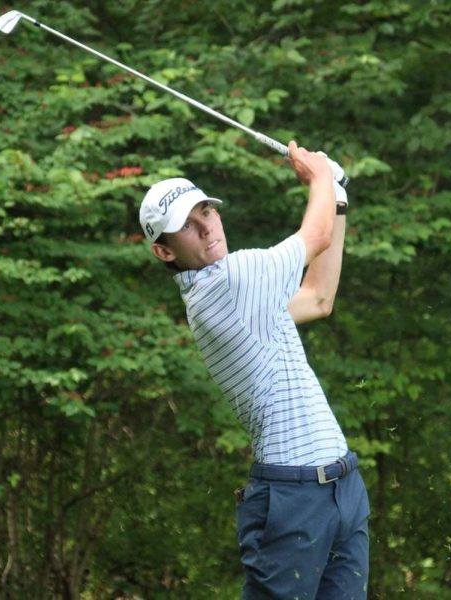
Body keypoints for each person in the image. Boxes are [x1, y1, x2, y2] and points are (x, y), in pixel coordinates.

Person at [139, 141, 370, 599]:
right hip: (293, 499)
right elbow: (316, 235)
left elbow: (320, 297)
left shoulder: (249, 297)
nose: (205, 228)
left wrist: (336, 196)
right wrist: (321, 178)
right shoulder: (226, 283)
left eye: (205, 212)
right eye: (185, 226)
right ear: (165, 253)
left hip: (342, 486)